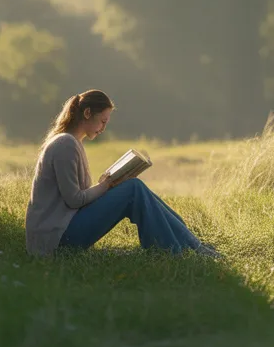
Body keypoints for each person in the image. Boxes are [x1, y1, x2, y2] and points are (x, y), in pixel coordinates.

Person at [24, 89, 220, 259]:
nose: (103, 128)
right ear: (87, 113)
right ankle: (179, 249)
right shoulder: (65, 144)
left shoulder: (72, 143)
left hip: (64, 230)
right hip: (55, 241)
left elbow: (77, 197)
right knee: (134, 188)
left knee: (137, 188)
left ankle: (191, 244)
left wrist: (106, 185)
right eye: (102, 121)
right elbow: (74, 200)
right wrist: (106, 186)